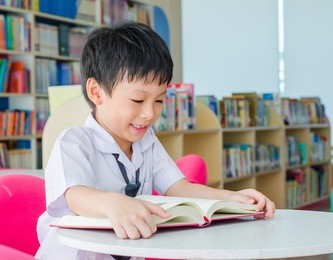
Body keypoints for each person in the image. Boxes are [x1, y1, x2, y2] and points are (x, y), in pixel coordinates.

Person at [36, 21, 275, 260]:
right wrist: (113, 204)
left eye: (159, 100)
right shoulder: (74, 142)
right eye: (138, 101)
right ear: (96, 92)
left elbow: (180, 188)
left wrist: (231, 198)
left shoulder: (147, 141)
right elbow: (75, 195)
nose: (150, 114)